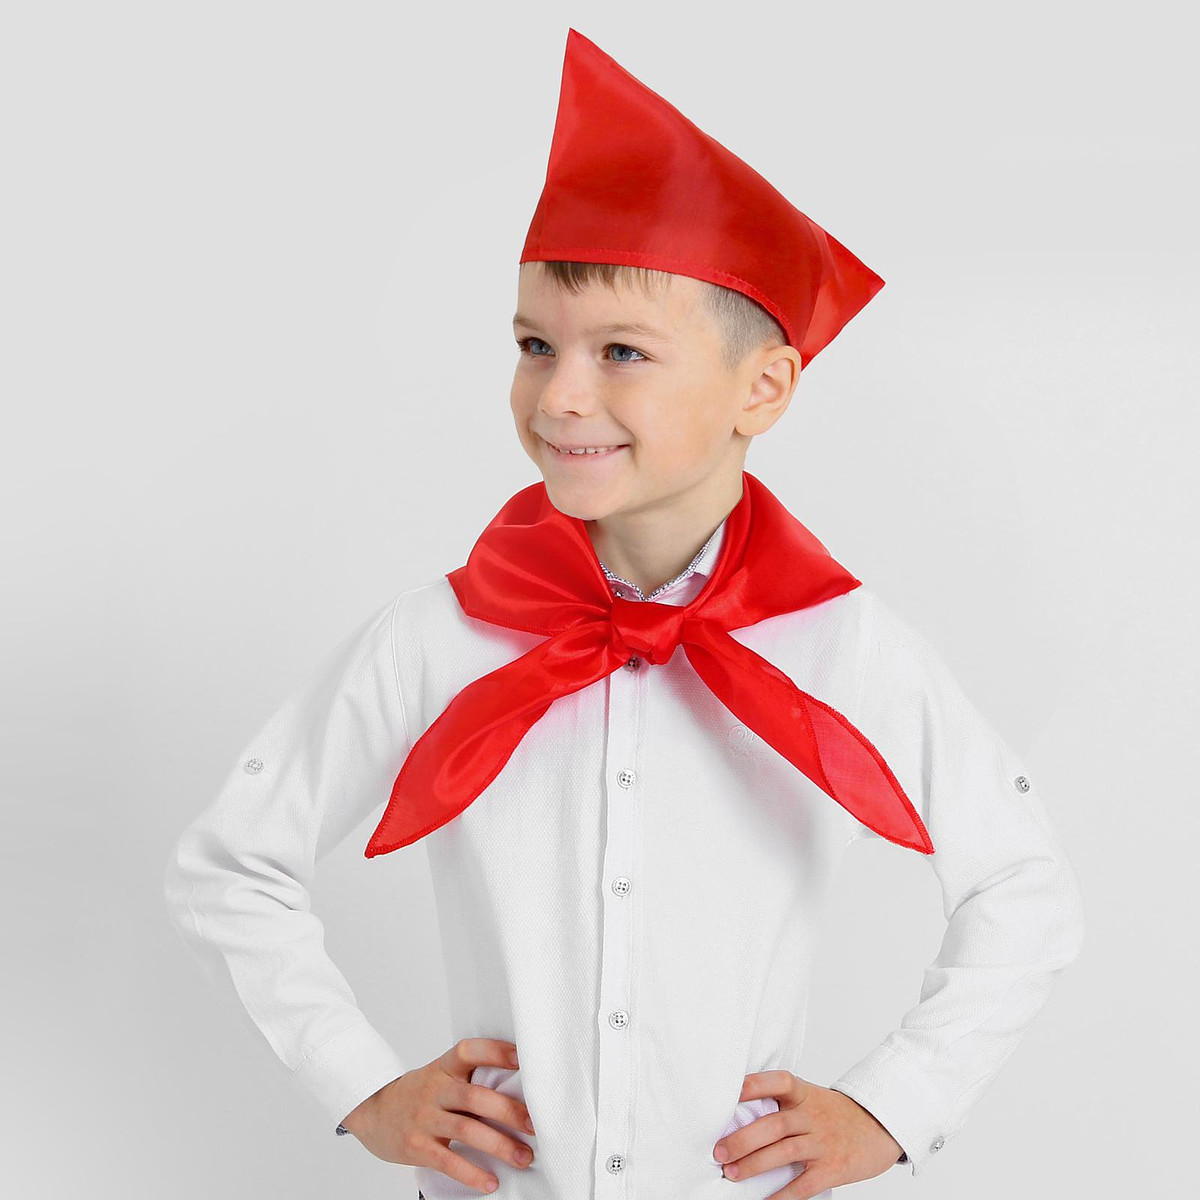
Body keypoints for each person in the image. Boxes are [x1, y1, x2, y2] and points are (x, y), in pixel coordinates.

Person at [163, 27, 1085, 1200]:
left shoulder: (844, 646)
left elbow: (1022, 888)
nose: (561, 395)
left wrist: (895, 1106)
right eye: (535, 345)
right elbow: (231, 863)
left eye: (622, 352)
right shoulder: (437, 637)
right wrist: (360, 1084)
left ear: (764, 387)